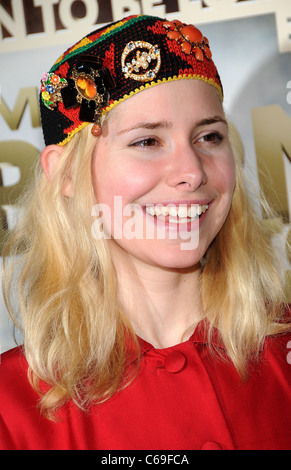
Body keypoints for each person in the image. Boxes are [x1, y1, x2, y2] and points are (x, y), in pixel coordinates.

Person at [0, 15, 290, 451]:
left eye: (209, 136)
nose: (191, 172)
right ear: (66, 174)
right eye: (147, 142)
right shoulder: (11, 407)